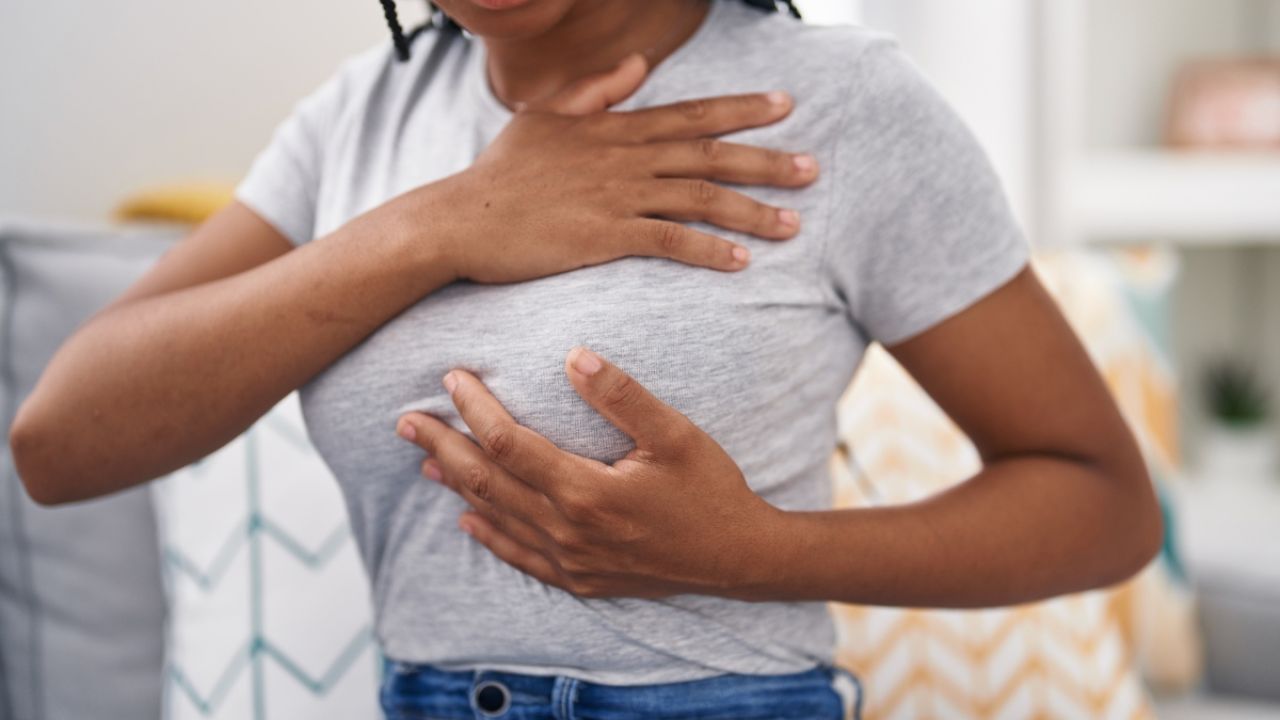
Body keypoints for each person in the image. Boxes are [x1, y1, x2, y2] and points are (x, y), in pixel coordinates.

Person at [10, 1, 1163, 717]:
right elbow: (60, 440)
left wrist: (757, 554)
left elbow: (1099, 503)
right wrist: (445, 221)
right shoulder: (359, 118)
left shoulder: (835, 106)